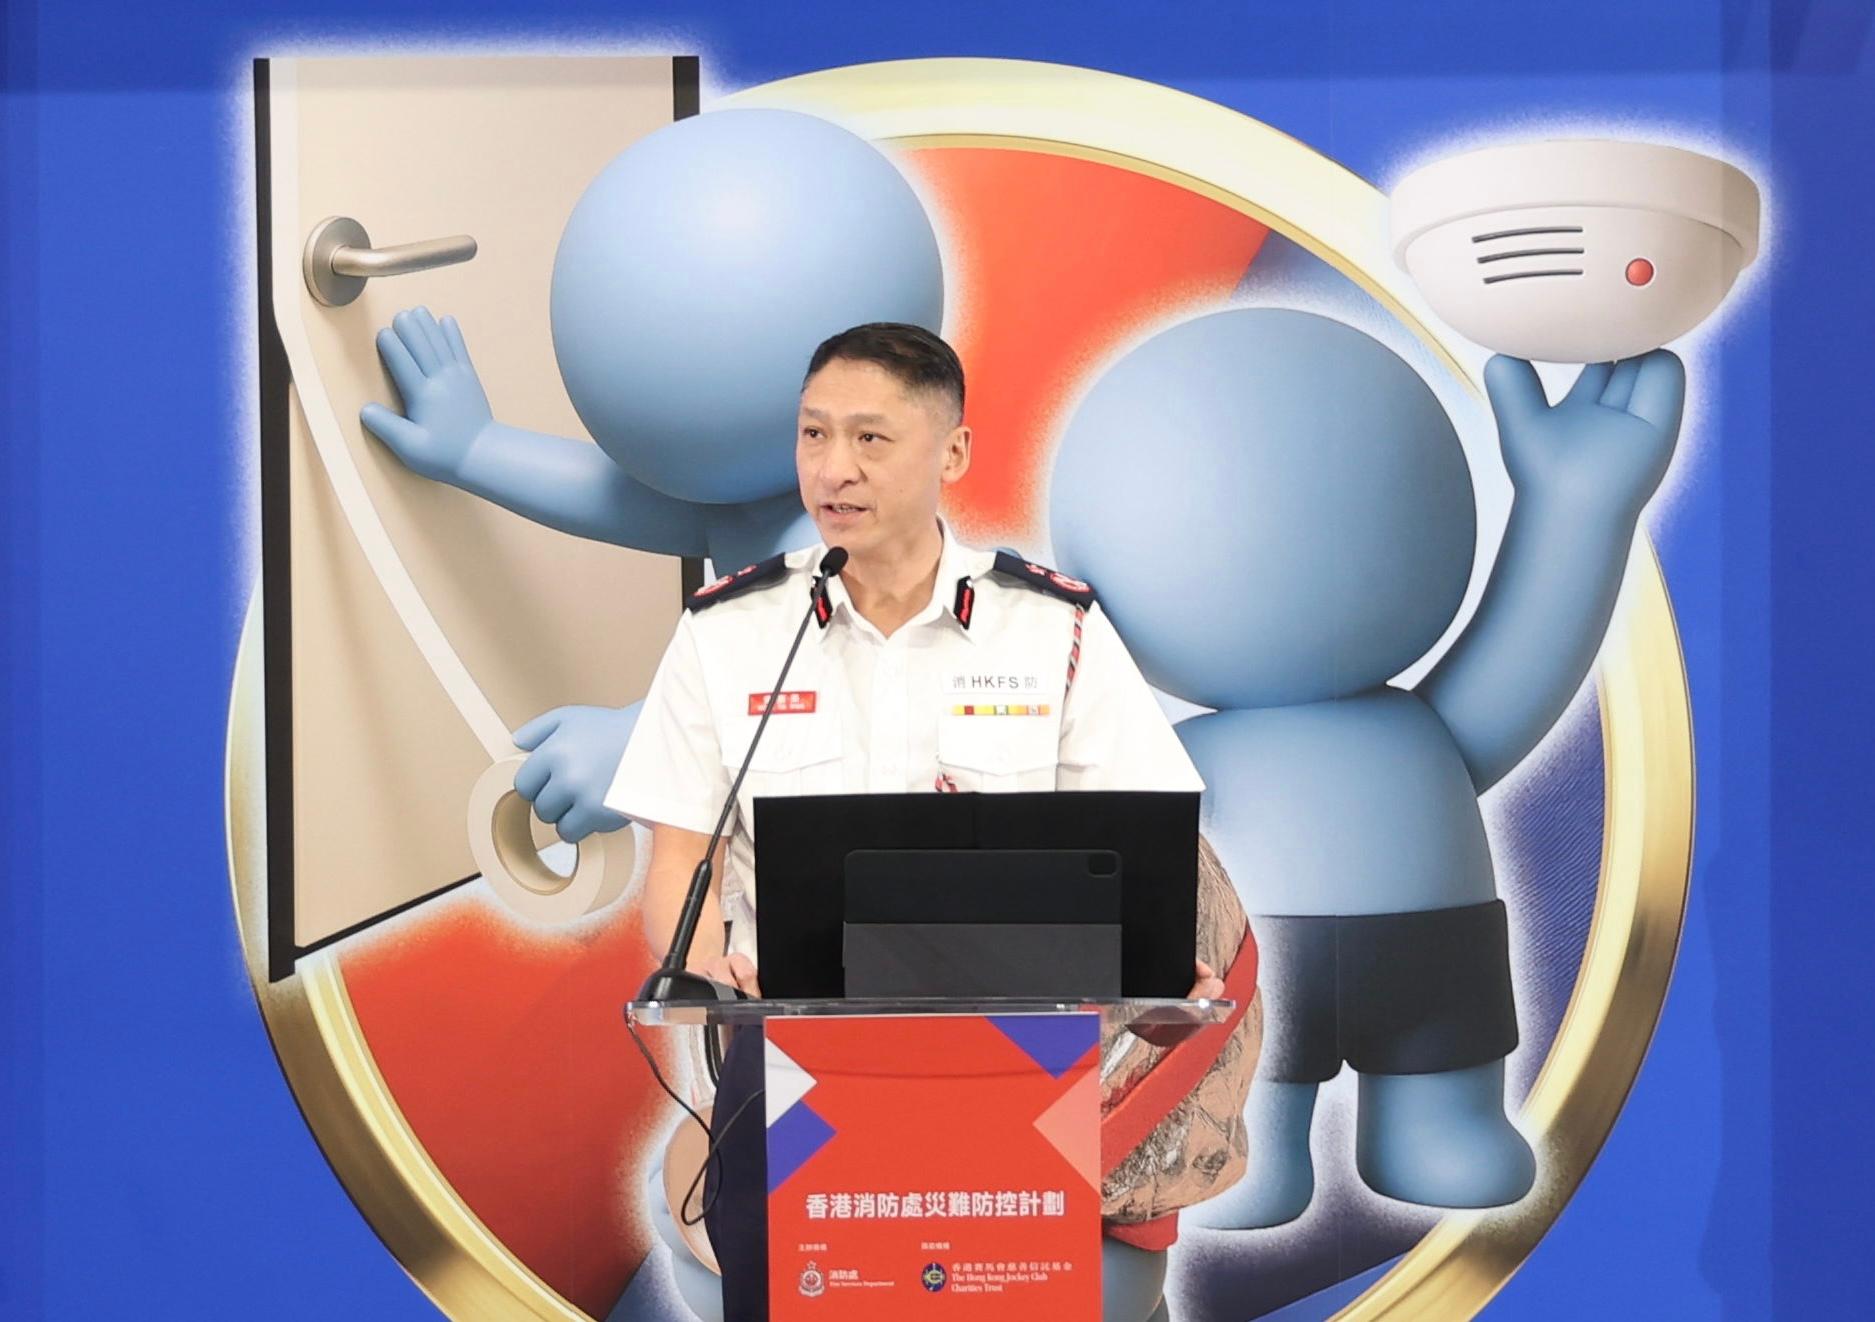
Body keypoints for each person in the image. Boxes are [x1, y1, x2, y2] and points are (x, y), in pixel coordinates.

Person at [604, 323, 1220, 1321]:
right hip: (796, 1059)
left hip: (1017, 1057)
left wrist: (1157, 970)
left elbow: (1141, 845)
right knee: (794, 1283)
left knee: (1014, 1296)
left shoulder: (1052, 627)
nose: (832, 468)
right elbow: (683, 855)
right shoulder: (731, 632)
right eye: (813, 434)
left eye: (869, 438)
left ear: (953, 452)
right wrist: (714, 969)